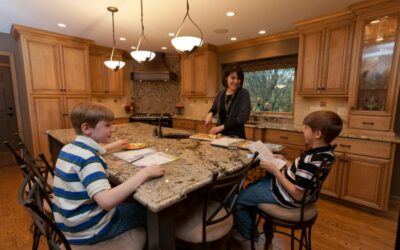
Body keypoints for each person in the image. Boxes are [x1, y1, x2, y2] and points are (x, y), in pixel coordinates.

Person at [52, 103, 165, 245]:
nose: (113, 129)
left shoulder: (69, 148)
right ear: (86, 128)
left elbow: (92, 150)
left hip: (69, 222)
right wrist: (145, 173)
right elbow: (107, 201)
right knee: (149, 212)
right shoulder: (89, 159)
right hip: (90, 228)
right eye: (107, 125)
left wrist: (112, 146)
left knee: (130, 205)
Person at [233, 110, 343, 244]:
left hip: (287, 197)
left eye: (306, 128)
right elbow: (302, 173)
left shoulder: (311, 160)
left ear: (317, 134)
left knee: (241, 199)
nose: (303, 131)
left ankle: (249, 236)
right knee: (252, 187)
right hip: (297, 193)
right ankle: (249, 226)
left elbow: (297, 194)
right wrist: (285, 161)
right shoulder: (325, 153)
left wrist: (275, 171)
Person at [204, 63, 251, 139]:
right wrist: (210, 114)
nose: (236, 81)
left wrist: (221, 127)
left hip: (236, 138)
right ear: (226, 78)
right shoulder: (221, 94)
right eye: (232, 78)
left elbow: (242, 118)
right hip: (220, 137)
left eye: (238, 78)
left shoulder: (244, 94)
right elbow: (214, 107)